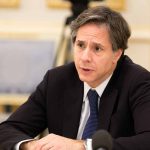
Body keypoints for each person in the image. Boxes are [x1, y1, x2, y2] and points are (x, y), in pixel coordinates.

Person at [0, 5, 150, 150]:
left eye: (97, 48)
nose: (85, 57)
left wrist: (82, 146)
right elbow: (7, 130)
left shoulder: (138, 82)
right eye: (80, 45)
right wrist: (33, 145)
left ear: (117, 54)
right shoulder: (57, 80)